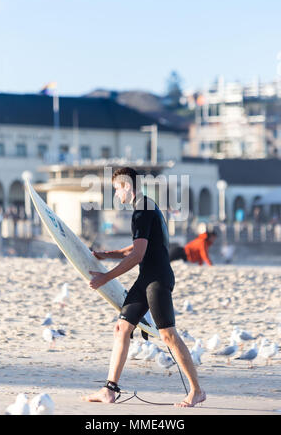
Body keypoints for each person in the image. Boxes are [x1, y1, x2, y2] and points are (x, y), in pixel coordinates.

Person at [83, 167, 205, 407]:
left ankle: (197, 391)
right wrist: (107, 254)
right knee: (122, 327)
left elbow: (138, 255)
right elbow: (137, 248)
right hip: (146, 279)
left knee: (168, 336)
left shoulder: (141, 211)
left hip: (157, 279)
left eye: (117, 189)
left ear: (128, 186)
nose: (117, 195)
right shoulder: (147, 206)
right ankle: (110, 389)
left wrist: (105, 278)